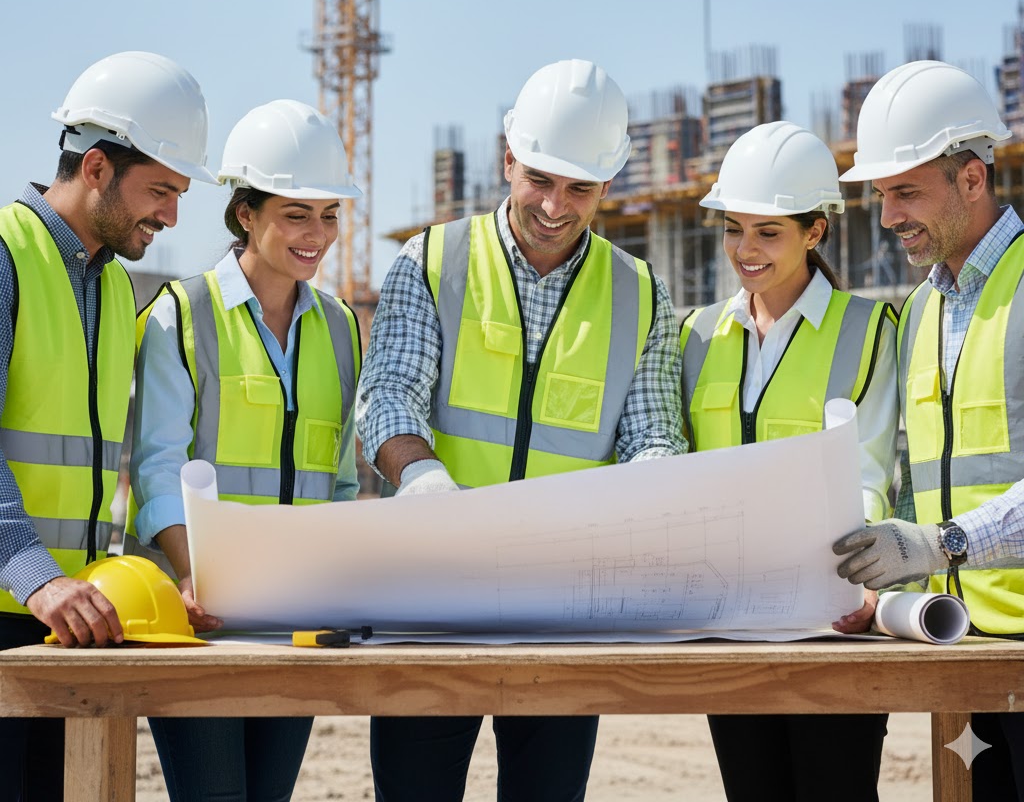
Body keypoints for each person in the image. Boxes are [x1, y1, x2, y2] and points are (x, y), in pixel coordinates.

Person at [356, 58, 687, 802]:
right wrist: (422, 479)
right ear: (508, 157)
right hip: (430, 598)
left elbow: (654, 434)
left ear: (609, 186)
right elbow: (388, 398)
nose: (553, 205)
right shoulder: (433, 261)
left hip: (565, 610)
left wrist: (650, 492)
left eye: (579, 187)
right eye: (540, 177)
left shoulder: (641, 293)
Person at [127, 99, 362, 802]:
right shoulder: (182, 313)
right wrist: (198, 576)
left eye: (329, 215)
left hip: (298, 621)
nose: (317, 235)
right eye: (296, 214)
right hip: (204, 619)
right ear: (246, 215)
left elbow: (341, 480)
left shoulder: (342, 327)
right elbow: (157, 467)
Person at [0, 50, 214, 800]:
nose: (172, 215)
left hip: (77, 618)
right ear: (95, 168)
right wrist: (36, 577)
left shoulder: (118, 287)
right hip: (15, 608)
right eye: (159, 190)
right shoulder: (4, 256)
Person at [680, 121, 898, 802]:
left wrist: (855, 581)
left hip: (828, 617)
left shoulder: (868, 332)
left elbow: (873, 471)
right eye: (734, 229)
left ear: (815, 232)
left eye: (768, 232)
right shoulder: (695, 336)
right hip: (729, 620)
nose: (744, 250)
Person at [832, 60, 1024, 798]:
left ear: (972, 178)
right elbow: (925, 474)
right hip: (953, 643)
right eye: (882, 196)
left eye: (905, 191)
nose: (887, 218)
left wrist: (943, 543)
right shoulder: (920, 312)